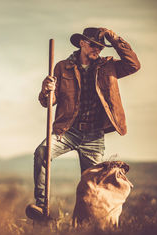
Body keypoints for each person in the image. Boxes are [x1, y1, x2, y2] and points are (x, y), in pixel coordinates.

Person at [26, 27, 140, 220]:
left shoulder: (107, 66)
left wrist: (113, 38)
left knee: (93, 185)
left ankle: (82, 226)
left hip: (94, 135)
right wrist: (47, 90)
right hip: (67, 130)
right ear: (82, 43)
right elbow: (48, 103)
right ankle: (42, 206)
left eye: (101, 46)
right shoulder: (62, 67)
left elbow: (133, 65)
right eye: (94, 45)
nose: (98, 49)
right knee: (42, 152)